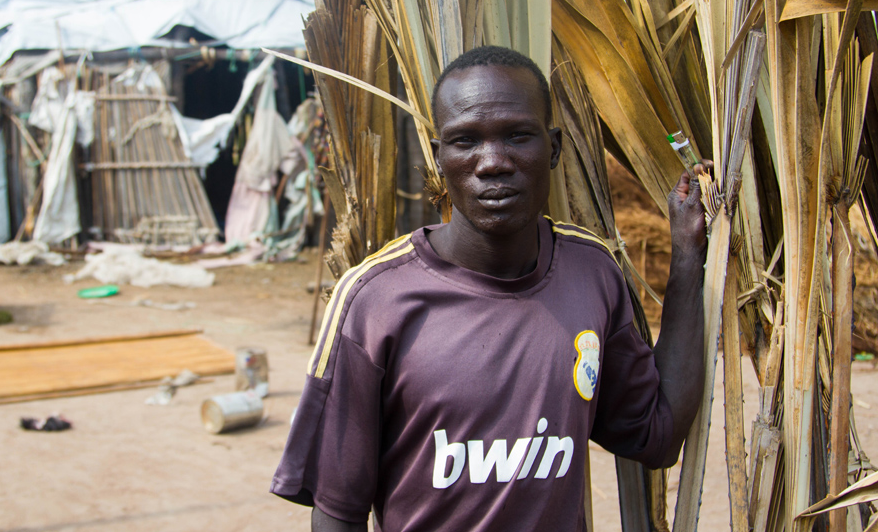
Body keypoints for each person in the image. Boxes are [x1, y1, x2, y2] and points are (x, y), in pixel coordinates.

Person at [271, 46, 708, 531]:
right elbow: (338, 513)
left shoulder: (592, 274)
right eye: (465, 142)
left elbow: (657, 435)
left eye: (518, 136)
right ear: (439, 159)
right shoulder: (374, 300)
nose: (493, 162)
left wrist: (687, 258)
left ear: (555, 147)